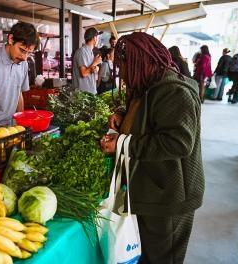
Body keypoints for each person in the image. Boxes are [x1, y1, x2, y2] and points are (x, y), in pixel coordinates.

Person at [100, 32, 204, 264]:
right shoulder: (149, 84)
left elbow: (177, 143)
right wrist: (124, 115)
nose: (123, 75)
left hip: (170, 195)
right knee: (149, 254)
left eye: (124, 67)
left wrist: (122, 143)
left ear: (140, 63)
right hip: (153, 190)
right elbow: (150, 118)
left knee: (162, 257)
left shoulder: (174, 91)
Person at [72, 27, 103, 94]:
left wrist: (95, 68)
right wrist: (95, 63)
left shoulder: (90, 52)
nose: (98, 39)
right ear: (94, 38)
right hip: (82, 95)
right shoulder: (82, 52)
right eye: (97, 37)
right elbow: (84, 73)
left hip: (89, 92)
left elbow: (90, 69)